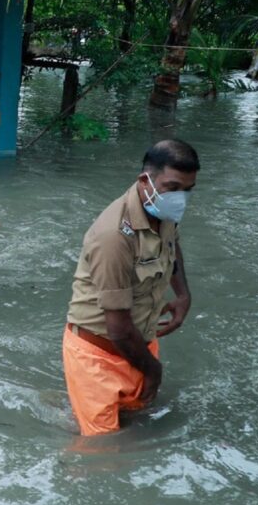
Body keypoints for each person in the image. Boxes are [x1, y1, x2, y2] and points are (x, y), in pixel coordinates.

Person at [62, 140, 199, 436]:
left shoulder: (162, 213)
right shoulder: (113, 235)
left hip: (139, 345)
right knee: (102, 450)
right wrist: (154, 370)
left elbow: (172, 243)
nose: (180, 198)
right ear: (144, 181)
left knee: (137, 423)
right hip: (98, 357)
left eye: (188, 190)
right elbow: (118, 328)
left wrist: (183, 295)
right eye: (173, 187)